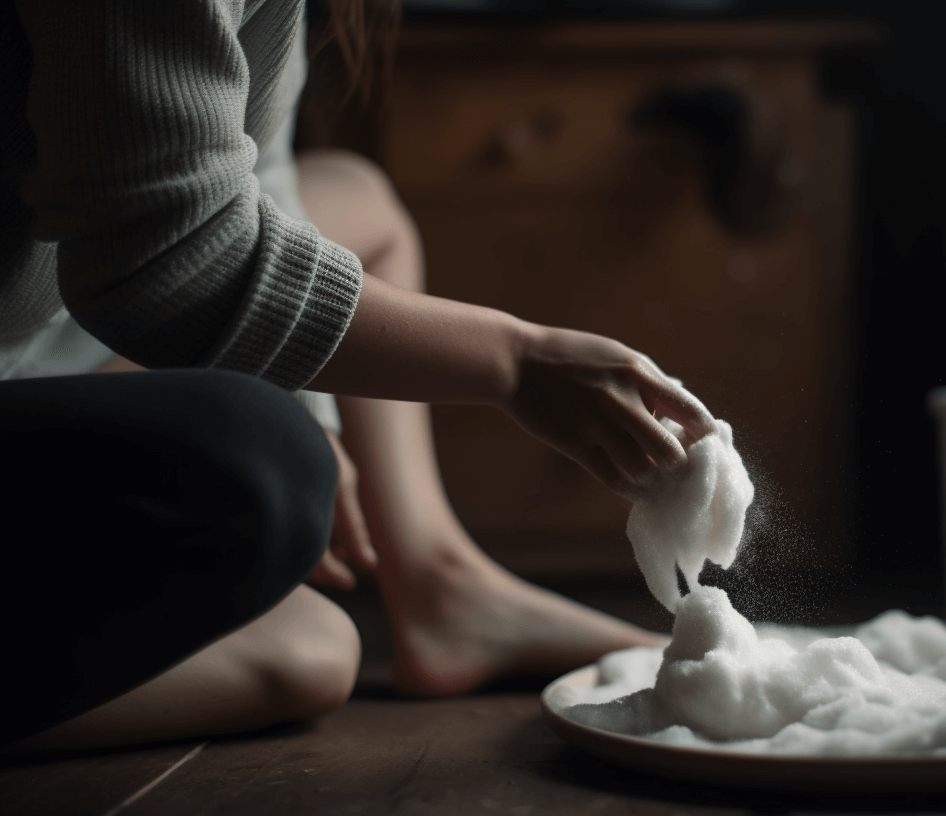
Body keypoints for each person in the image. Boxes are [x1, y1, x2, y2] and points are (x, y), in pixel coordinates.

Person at [0, 0, 713, 751]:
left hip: (37, 328)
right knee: (306, 639)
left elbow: (253, 170)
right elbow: (164, 262)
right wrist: (517, 362)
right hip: (73, 309)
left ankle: (443, 585)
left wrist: (309, 398)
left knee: (356, 198)